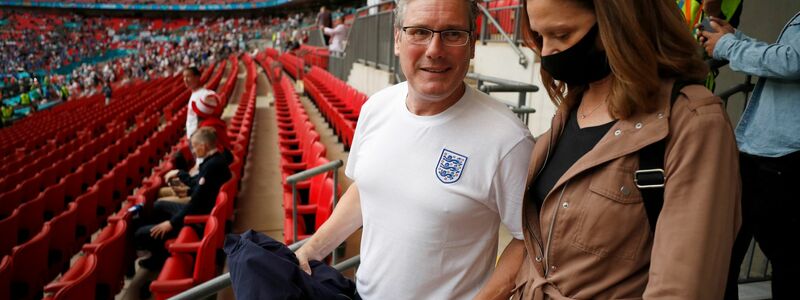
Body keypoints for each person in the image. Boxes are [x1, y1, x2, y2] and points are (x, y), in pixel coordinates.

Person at [295, 0, 534, 298]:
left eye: (453, 33)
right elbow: (365, 190)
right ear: (397, 40)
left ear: (472, 45)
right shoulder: (375, 108)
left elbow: (529, 240)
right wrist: (312, 250)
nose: (435, 49)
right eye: (419, 32)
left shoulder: (508, 140)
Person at [508, 0, 741, 299]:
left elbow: (683, 288)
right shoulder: (574, 104)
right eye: (540, 37)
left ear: (622, 24)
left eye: (563, 35)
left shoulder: (693, 122)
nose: (548, 53)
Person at [699, 12, 800, 300]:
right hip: (763, 152)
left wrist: (728, 46)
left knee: (787, 262)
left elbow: (792, 62)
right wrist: (735, 37)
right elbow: (785, 57)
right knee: (722, 252)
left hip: (782, 157)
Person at [134, 127, 232, 270]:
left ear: (203, 146)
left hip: (198, 219)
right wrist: (182, 177)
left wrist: (171, 223)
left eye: (194, 146)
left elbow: (195, 203)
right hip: (202, 209)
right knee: (159, 206)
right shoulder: (215, 160)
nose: (192, 150)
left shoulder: (212, 166)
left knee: (140, 234)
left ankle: (159, 258)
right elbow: (198, 187)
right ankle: (158, 247)